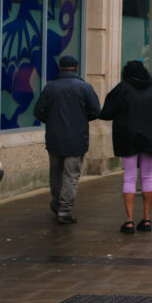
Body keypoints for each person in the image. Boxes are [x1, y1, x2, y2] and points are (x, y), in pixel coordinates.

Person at [99, 59, 152, 234]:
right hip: (150, 139)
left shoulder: (122, 89)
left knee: (129, 178)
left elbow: (106, 112)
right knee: (148, 177)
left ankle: (129, 221)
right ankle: (146, 219)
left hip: (127, 138)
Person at [32, 54, 100, 225]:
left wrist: (54, 120)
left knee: (55, 174)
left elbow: (38, 112)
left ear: (60, 68)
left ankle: (56, 204)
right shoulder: (85, 87)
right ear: (76, 68)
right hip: (77, 139)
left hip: (55, 138)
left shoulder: (50, 88)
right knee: (71, 176)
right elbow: (95, 111)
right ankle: (64, 210)